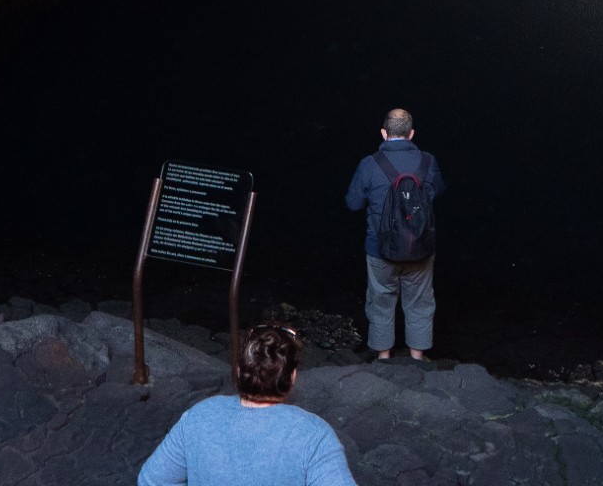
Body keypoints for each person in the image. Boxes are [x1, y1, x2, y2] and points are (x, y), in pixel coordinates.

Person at [137, 325, 355, 486]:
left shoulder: (199, 416)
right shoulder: (314, 435)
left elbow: (152, 480)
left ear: (239, 370)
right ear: (292, 376)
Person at [344, 108, 442, 362]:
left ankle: (384, 357)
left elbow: (353, 203)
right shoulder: (428, 161)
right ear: (411, 133)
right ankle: (417, 358)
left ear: (383, 133)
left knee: (380, 301)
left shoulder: (369, 164)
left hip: (380, 248)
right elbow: (436, 194)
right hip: (420, 247)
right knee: (420, 302)